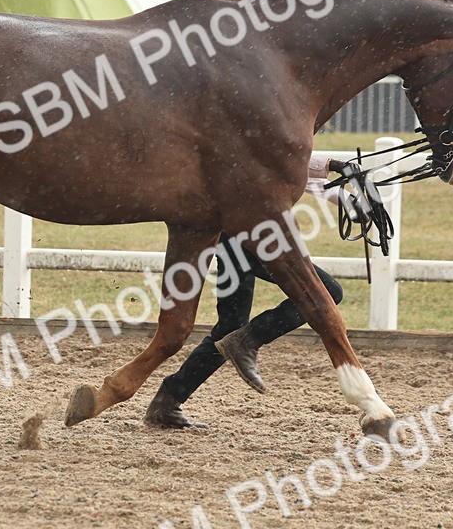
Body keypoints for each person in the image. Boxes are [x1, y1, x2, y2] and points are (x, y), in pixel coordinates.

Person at [145, 154, 358, 429]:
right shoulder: (253, 124)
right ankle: (247, 339)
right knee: (327, 291)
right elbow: (275, 158)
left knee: (231, 326)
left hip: (238, 233)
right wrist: (332, 167)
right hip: (241, 232)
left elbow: (290, 170)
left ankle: (168, 401)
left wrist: (345, 197)